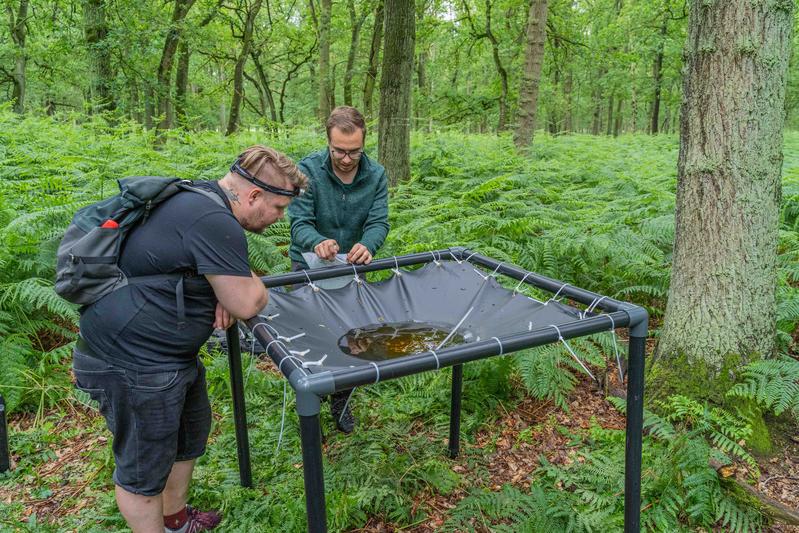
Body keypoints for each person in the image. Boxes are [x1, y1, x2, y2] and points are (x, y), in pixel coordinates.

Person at [72, 146, 307, 533]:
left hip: (166, 356)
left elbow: (199, 269)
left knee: (188, 435)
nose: (281, 218)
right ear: (253, 196)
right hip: (132, 362)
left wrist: (223, 286)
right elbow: (248, 301)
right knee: (142, 470)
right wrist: (247, 287)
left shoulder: (198, 201)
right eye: (279, 208)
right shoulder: (214, 220)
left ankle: (176, 521)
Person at [287, 106, 390, 434]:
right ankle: (310, 399)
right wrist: (317, 241)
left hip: (353, 268)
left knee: (353, 337)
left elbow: (379, 221)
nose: (346, 159)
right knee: (311, 332)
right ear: (328, 142)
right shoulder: (307, 171)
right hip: (309, 267)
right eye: (339, 151)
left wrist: (369, 245)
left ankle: (342, 401)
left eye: (354, 152)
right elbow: (299, 223)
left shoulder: (376, 175)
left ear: (364, 144)